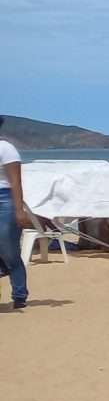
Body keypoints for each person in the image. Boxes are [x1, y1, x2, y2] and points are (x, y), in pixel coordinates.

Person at [0, 124, 34, 311]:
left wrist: (19, 210)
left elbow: (15, 182)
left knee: (9, 249)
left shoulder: (6, 149)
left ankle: (19, 294)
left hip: (5, 198)